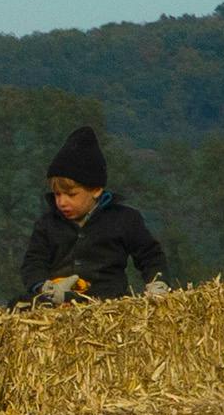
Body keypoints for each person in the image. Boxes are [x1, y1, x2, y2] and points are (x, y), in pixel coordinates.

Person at [16, 124, 170, 306]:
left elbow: (150, 255)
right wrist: (43, 287)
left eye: (71, 195)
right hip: (57, 301)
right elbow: (33, 262)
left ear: (96, 190)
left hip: (107, 304)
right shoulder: (48, 224)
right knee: (17, 306)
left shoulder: (124, 220)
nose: (62, 202)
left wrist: (157, 284)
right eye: (57, 194)